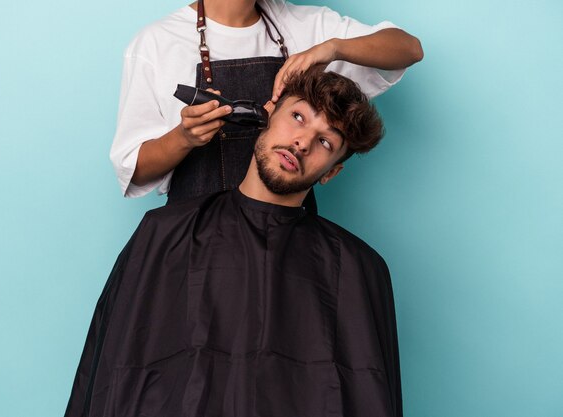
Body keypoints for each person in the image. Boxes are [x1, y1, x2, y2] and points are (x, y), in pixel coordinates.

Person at [66, 67, 402, 417]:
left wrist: (330, 48)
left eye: (325, 142)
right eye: (298, 116)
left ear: (332, 171)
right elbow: (110, 376)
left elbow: (371, 396)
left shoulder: (359, 269)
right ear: (269, 114)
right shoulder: (163, 234)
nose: (302, 142)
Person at [110, 0, 423, 209]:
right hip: (193, 245)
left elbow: (408, 49)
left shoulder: (306, 25)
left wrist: (331, 49)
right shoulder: (157, 43)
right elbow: (134, 171)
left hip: (288, 248)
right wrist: (184, 138)